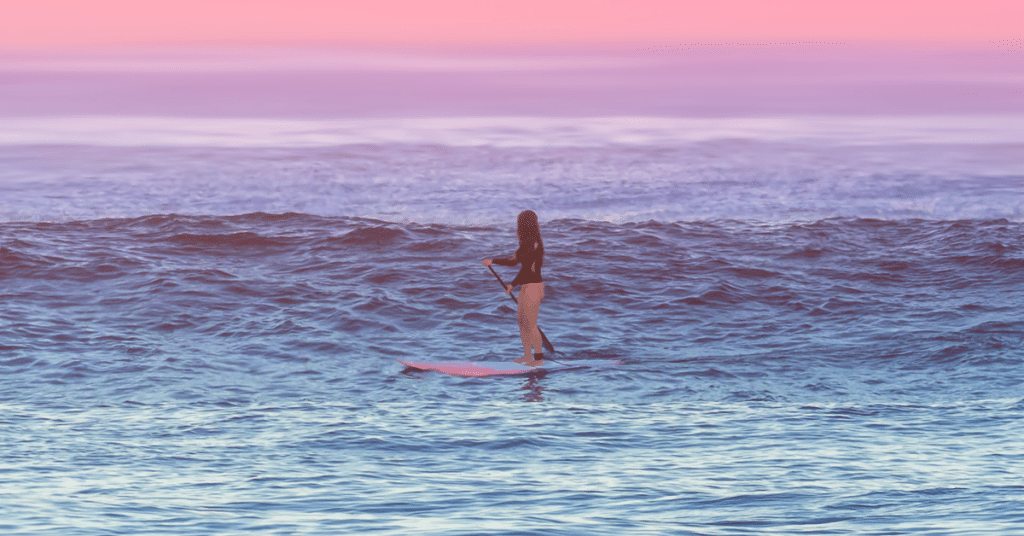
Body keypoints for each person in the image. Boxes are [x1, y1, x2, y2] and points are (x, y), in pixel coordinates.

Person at [482, 210, 546, 366]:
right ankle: (527, 356)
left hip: (534, 287)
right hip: (526, 287)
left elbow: (527, 270)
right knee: (521, 321)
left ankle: (538, 360)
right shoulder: (525, 245)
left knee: (530, 323)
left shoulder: (534, 245)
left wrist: (512, 284)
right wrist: (493, 261)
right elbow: (512, 261)